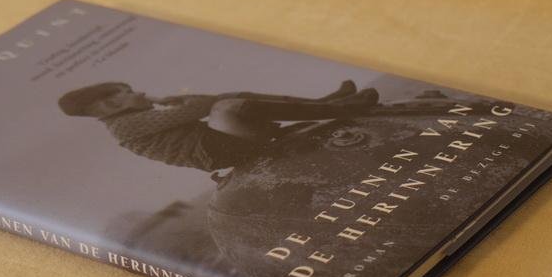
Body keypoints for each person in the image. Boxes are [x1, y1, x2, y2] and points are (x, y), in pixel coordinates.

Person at [58, 81, 380, 172]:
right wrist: (169, 99)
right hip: (217, 151)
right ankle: (337, 107)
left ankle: (325, 103)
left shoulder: (129, 119)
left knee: (231, 101)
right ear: (107, 106)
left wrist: (174, 101)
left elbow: (204, 105)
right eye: (123, 93)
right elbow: (204, 106)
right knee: (227, 105)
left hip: (222, 140)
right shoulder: (124, 127)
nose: (136, 93)